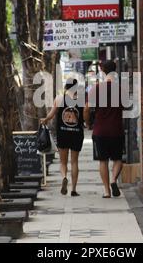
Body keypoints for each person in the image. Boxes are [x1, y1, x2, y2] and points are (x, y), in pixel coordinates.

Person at [84, 60, 124, 198]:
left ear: (102, 71)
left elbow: (87, 108)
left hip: (100, 130)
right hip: (116, 129)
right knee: (118, 159)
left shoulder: (96, 88)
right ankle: (114, 180)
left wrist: (88, 123)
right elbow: (126, 106)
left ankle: (107, 191)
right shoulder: (121, 88)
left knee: (103, 161)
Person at [41, 78, 84, 197]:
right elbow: (84, 116)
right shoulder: (81, 100)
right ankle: (73, 189)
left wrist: (45, 120)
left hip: (62, 134)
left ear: (66, 87)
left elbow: (51, 114)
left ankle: (64, 177)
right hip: (77, 133)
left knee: (63, 162)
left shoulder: (59, 99)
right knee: (74, 162)